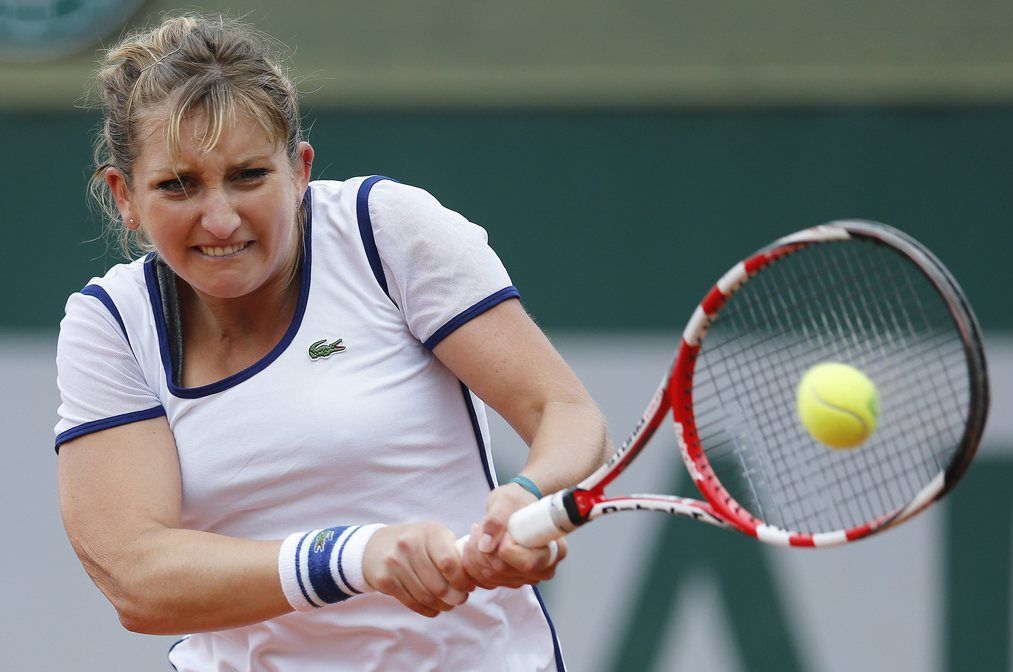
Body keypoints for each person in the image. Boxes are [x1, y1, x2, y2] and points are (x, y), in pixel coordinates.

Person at [54, 13, 610, 672]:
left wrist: (526, 496)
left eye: (249, 175)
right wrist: (354, 557)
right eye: (179, 185)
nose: (221, 218)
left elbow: (567, 415)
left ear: (299, 170)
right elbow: (136, 579)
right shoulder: (109, 325)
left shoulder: (387, 233)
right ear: (125, 195)